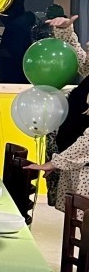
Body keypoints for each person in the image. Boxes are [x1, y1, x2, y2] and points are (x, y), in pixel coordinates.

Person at [26, 15, 89, 211]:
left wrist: (57, 163)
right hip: (76, 165)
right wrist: (66, 31)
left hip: (83, 168)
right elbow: (80, 60)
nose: (88, 44)